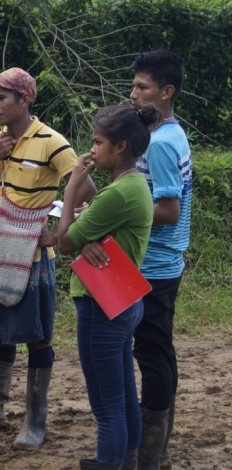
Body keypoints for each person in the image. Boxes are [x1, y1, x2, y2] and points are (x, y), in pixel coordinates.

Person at [0, 67, 97, 450]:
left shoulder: (52, 142)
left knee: (37, 339)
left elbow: (87, 191)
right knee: (0, 336)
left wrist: (60, 234)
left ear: (25, 100)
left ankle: (35, 420)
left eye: (2, 98)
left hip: (29, 257)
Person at [56, 104, 157, 469]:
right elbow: (84, 235)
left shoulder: (116, 193)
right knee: (124, 395)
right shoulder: (134, 185)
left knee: (106, 405)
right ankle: (125, 461)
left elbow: (64, 242)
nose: (92, 149)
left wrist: (70, 192)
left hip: (101, 306)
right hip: (124, 303)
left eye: (99, 142)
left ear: (121, 146)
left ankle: (109, 463)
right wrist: (86, 235)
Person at [129, 50, 192, 470]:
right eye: (133, 85)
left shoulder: (163, 143)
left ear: (166, 92)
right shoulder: (161, 134)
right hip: (153, 262)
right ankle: (159, 445)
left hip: (154, 265)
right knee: (157, 350)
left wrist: (119, 211)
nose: (133, 94)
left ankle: (150, 452)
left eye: (142, 87)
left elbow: (167, 210)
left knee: (150, 354)